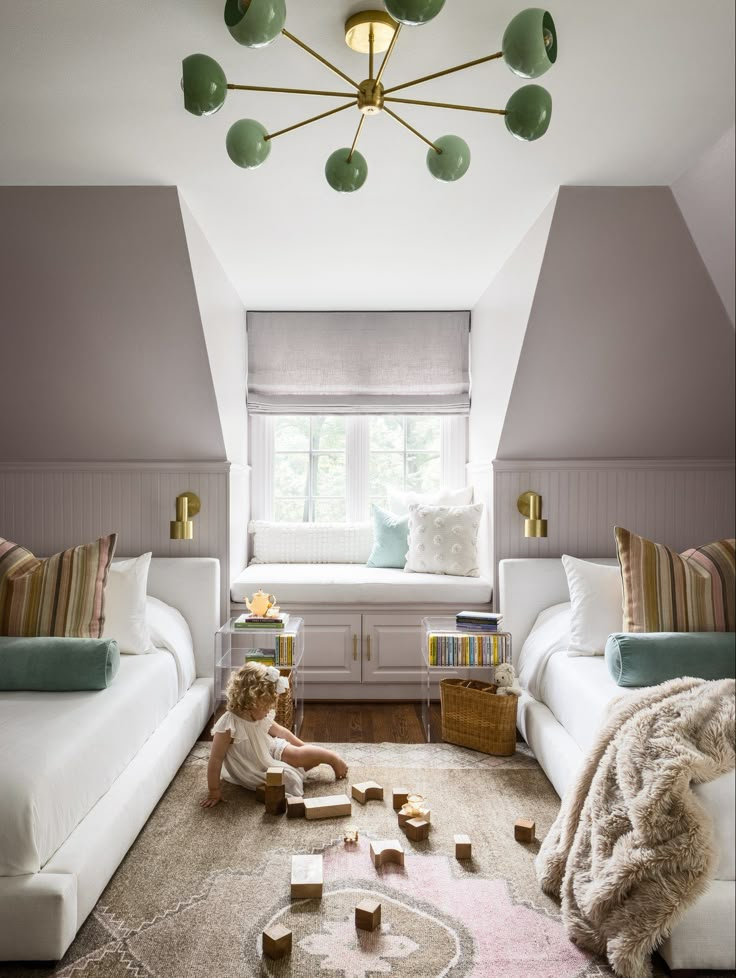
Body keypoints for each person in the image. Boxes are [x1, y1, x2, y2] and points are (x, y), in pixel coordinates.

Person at [200, 661, 348, 808]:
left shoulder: (260, 716)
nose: (268, 711)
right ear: (251, 703)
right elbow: (215, 760)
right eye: (265, 707)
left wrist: (304, 749)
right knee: (288, 780)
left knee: (298, 755)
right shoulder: (228, 726)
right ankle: (314, 758)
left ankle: (331, 757)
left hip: (270, 749)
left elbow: (283, 732)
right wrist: (214, 791)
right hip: (252, 766)